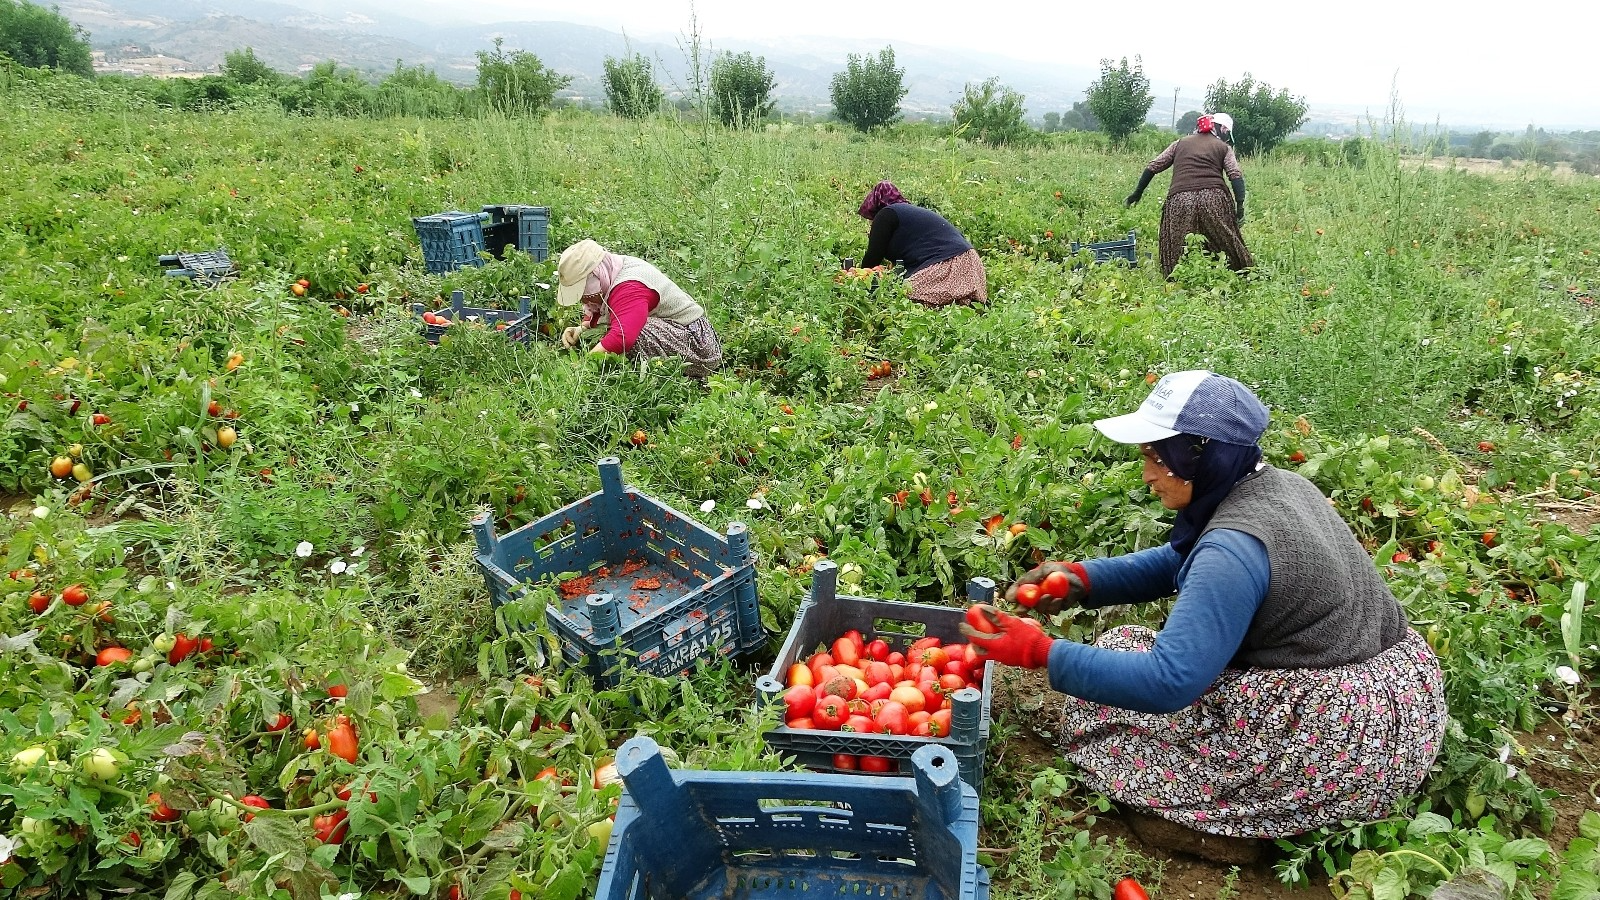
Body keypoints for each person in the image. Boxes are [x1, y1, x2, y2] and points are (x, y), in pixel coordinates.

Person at [961, 370, 1447, 859]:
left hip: (1334, 739)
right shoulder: (1279, 487)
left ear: (1201, 457)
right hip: (1400, 698)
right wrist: (1085, 580)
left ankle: (1243, 829)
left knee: (1109, 723)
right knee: (1121, 652)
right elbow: (1183, 560)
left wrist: (1039, 651)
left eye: (1157, 458)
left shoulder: (1233, 549)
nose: (1148, 473)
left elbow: (1168, 682)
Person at [556, 239, 723, 379]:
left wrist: (583, 367)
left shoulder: (629, 286)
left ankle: (675, 376)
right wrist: (582, 328)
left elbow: (622, 336)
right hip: (676, 333)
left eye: (584, 293)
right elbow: (602, 305)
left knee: (632, 332)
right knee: (616, 327)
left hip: (698, 347)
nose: (583, 300)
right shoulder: (612, 268)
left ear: (596, 277)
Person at [1125, 113, 1255, 278]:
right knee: (1226, 238)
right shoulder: (1224, 148)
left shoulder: (1179, 144)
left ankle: (1176, 277)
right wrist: (1240, 205)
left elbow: (1153, 166)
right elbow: (1235, 175)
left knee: (1176, 243)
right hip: (1213, 197)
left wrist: (1137, 193)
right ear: (1223, 129)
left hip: (1180, 198)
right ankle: (1242, 273)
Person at [854, 181, 987, 307]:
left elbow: (872, 260)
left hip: (949, 264)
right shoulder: (909, 215)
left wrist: (856, 279)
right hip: (971, 263)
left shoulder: (886, 214)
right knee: (953, 310)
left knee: (899, 298)